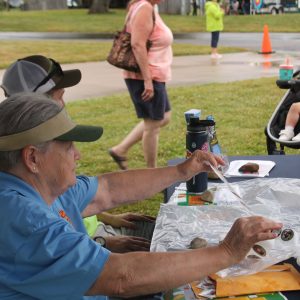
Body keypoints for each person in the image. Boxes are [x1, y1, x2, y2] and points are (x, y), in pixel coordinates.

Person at [0, 92, 283, 299]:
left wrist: (182, 171)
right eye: (67, 147)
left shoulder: (41, 186)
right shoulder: (20, 215)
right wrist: (227, 252)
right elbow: (121, 277)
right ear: (33, 158)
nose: (78, 154)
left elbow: (109, 190)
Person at [0, 55, 155, 253]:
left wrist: (109, 217)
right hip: (86, 245)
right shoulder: (29, 169)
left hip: (90, 235)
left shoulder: (41, 155)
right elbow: (52, 241)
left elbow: (68, 200)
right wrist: (101, 241)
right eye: (58, 97)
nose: (63, 104)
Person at [109, 0, 173, 170]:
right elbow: (137, 44)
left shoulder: (146, 6)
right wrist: (147, 80)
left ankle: (120, 150)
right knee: (152, 125)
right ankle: (152, 174)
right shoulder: (144, 8)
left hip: (153, 74)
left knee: (164, 117)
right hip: (146, 76)